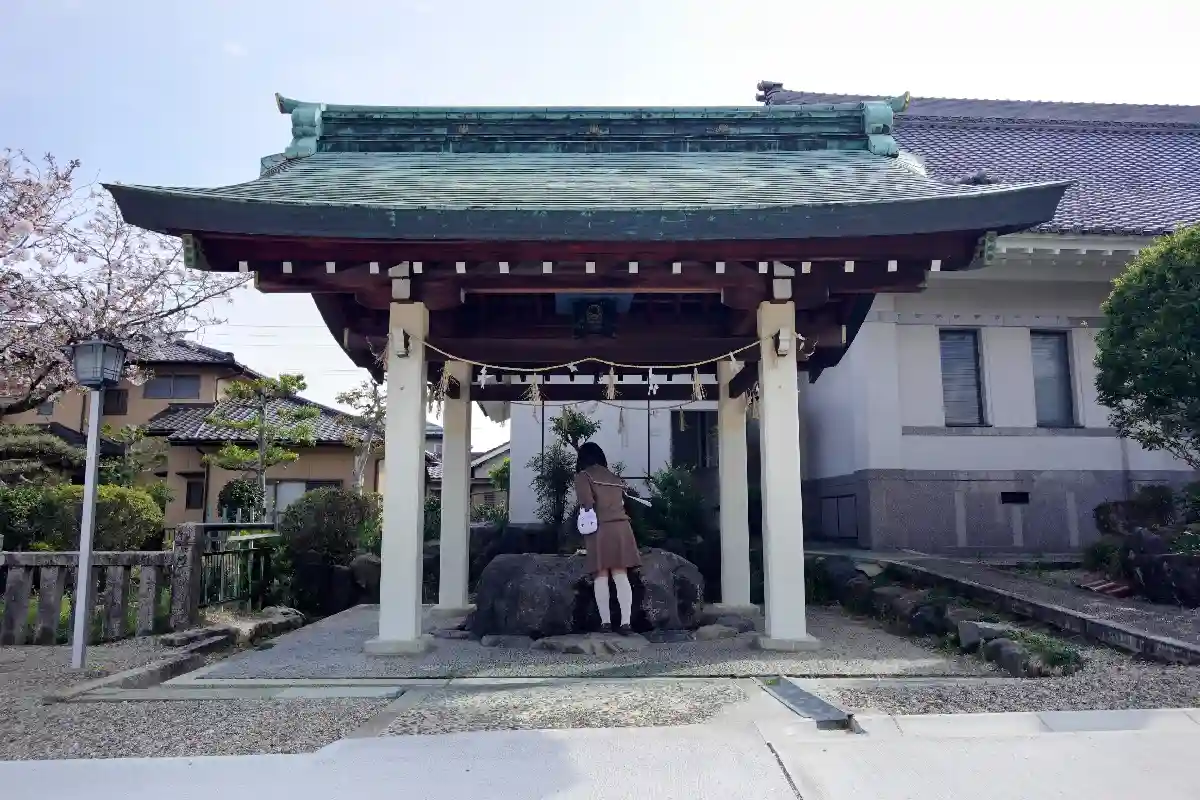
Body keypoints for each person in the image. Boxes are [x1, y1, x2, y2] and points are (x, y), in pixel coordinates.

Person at [573, 441, 641, 635]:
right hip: (622, 528)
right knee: (620, 574)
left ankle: (606, 623)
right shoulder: (614, 477)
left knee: (601, 574)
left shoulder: (583, 476)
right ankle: (626, 623)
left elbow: (587, 503)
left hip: (600, 529)